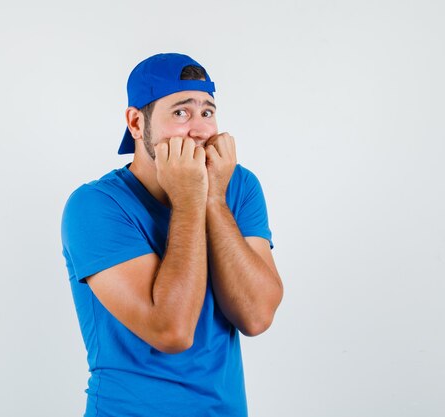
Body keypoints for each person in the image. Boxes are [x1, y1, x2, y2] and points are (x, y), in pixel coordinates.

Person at [61, 52, 283, 417]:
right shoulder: (95, 206)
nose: (199, 129)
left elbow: (256, 316)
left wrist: (213, 196)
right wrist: (188, 200)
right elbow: (172, 331)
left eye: (207, 112)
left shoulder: (237, 186)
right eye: (181, 112)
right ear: (136, 122)